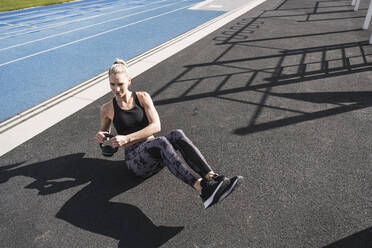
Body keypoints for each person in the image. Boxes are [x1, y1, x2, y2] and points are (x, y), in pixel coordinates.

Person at [95, 59, 242, 208]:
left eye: (120, 84)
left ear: (129, 81)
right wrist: (103, 136)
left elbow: (156, 126)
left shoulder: (142, 97)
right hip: (136, 162)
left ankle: (212, 178)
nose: (116, 89)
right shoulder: (107, 109)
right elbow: (105, 132)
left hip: (157, 153)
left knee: (177, 134)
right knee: (161, 142)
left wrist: (126, 138)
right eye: (112, 84)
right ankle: (202, 189)